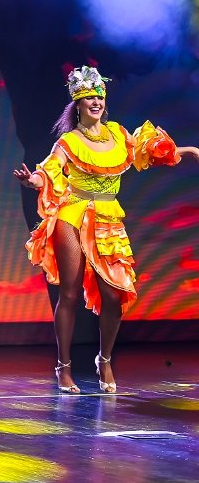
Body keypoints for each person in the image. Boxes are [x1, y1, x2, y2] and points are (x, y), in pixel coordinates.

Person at [14, 66, 197, 394]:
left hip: (108, 217)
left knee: (114, 294)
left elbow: (148, 153)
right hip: (72, 213)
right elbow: (49, 170)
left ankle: (105, 359)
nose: (96, 102)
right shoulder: (69, 141)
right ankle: (64, 367)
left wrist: (190, 151)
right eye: (89, 98)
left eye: (99, 97)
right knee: (69, 292)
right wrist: (33, 180)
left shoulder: (118, 134)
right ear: (78, 105)